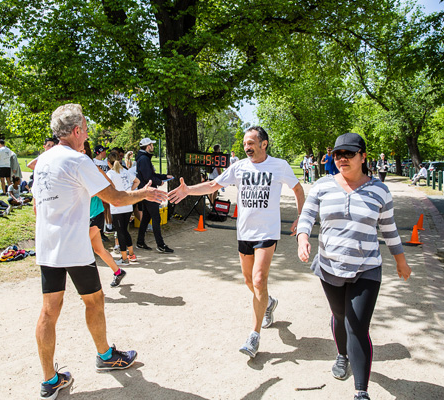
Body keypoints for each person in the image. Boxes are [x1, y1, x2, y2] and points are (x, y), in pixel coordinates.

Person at [32, 103, 167, 400]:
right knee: (94, 300)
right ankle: (105, 356)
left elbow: (36, 205)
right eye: (85, 129)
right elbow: (116, 198)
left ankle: (49, 380)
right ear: (76, 130)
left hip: (47, 245)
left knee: (49, 310)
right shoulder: (77, 160)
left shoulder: (43, 160)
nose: (87, 134)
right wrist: (146, 192)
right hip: (73, 246)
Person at [168, 126, 305, 358]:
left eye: (251, 142)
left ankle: (254, 335)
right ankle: (268, 303)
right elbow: (213, 185)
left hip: (267, 232)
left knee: (259, 280)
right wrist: (188, 190)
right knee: (249, 281)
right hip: (245, 232)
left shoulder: (279, 166)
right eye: (244, 143)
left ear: (264, 144)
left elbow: (298, 189)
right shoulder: (239, 167)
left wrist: (301, 217)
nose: (246, 147)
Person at [296, 132, 411, 400]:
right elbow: (307, 216)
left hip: (366, 267)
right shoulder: (323, 185)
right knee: (340, 316)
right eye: (338, 154)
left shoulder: (379, 190)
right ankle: (342, 354)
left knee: (357, 325)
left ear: (363, 156)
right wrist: (303, 238)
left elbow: (389, 229)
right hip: (330, 267)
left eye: (349, 153)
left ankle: (361, 391)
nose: (342, 159)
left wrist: (401, 260)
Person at [84, 142, 127, 287]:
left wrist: (95, 191)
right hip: (84, 216)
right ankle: (118, 272)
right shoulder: (75, 168)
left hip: (95, 215)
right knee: (99, 249)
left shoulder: (93, 169)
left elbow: (111, 185)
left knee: (80, 247)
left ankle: (89, 286)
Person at [135, 137, 174, 253]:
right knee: (156, 218)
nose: (153, 146)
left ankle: (140, 242)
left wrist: (164, 176)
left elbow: (151, 174)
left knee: (146, 217)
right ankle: (160, 245)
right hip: (149, 192)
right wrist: (159, 181)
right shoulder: (144, 159)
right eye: (151, 144)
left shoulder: (143, 158)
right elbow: (148, 177)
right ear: (148, 146)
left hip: (145, 191)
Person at [107, 151, 139, 265]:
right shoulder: (125, 171)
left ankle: (124, 258)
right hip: (128, 205)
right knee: (125, 231)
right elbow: (137, 181)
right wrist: (129, 191)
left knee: (120, 232)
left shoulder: (110, 174)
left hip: (117, 206)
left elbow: (108, 188)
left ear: (108, 162)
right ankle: (131, 254)